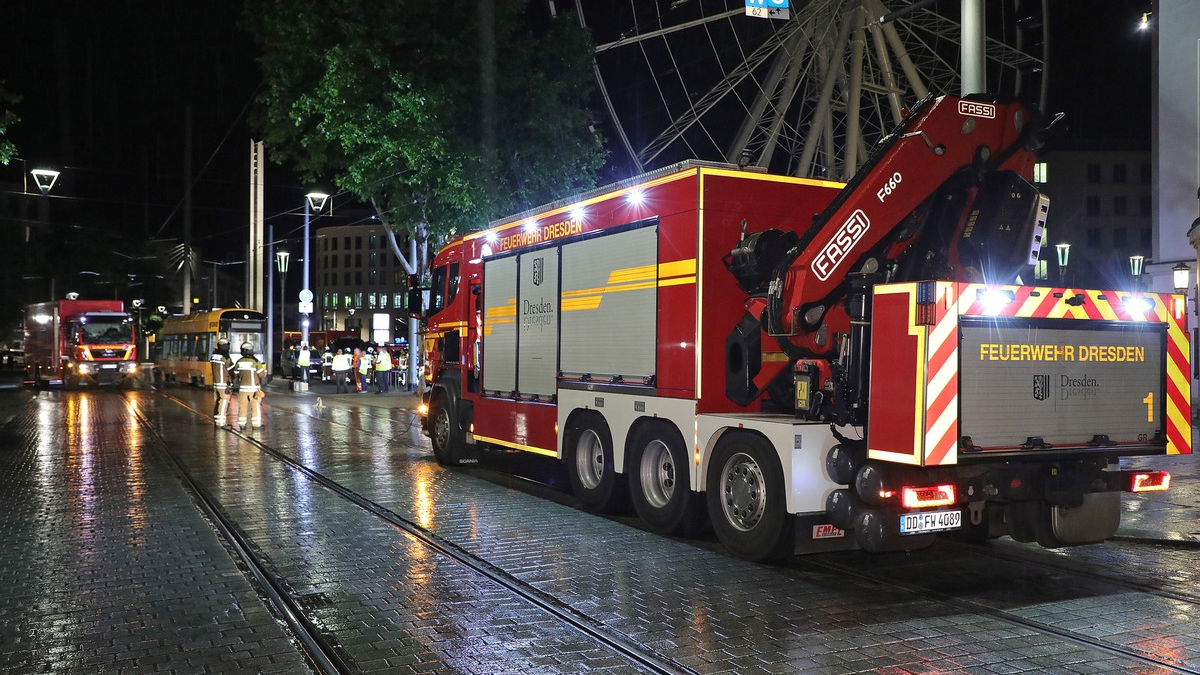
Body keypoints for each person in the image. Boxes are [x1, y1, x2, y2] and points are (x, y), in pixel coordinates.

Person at [233, 342, 267, 429]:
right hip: (254, 389)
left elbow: (236, 374)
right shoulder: (255, 362)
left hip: (243, 389)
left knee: (242, 406)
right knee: (255, 406)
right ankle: (256, 425)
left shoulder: (239, 362)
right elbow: (262, 375)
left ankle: (242, 424)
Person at [209, 337, 235, 427]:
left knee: (217, 402)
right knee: (224, 401)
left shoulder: (214, 355)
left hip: (216, 383)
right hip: (224, 384)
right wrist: (234, 377)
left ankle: (217, 420)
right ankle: (221, 423)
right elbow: (231, 370)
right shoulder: (225, 357)